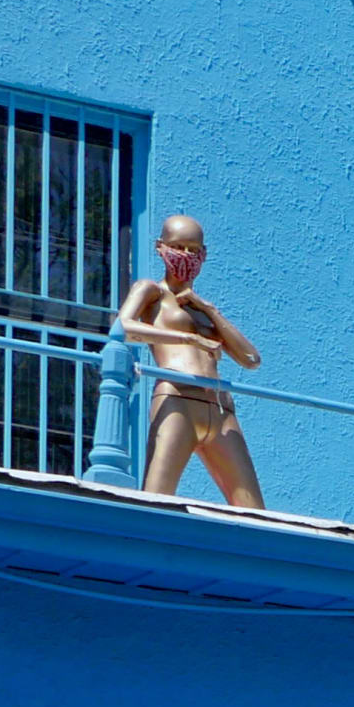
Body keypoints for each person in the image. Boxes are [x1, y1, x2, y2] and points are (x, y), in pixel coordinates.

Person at [118, 215, 266, 507]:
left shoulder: (201, 309)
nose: (186, 255)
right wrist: (188, 339)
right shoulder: (152, 291)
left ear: (204, 254)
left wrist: (209, 310)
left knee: (255, 511)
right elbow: (123, 326)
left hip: (221, 408)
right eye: (178, 246)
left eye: (193, 249)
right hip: (177, 398)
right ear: (160, 247)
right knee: (155, 501)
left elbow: (251, 359)